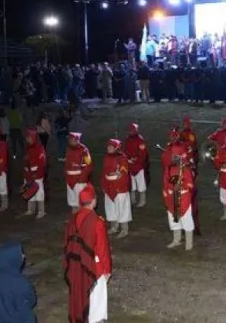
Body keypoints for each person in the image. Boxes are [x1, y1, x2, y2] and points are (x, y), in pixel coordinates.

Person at [64, 184, 112, 323]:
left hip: (75, 264)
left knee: (79, 293)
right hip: (93, 267)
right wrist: (106, 270)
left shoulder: (72, 219)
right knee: (97, 297)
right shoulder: (97, 222)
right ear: (94, 201)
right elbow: (103, 248)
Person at [0, 243, 37, 323]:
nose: (24, 256)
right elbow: (31, 300)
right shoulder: (20, 283)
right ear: (12, 258)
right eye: (21, 254)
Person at [163, 153, 196, 250]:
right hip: (171, 197)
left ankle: (189, 244)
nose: (175, 158)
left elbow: (190, 184)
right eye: (173, 156)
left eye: (177, 156)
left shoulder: (185, 168)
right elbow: (165, 183)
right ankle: (176, 240)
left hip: (183, 197)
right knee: (174, 218)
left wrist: (182, 186)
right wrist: (167, 194)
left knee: (186, 219)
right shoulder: (168, 168)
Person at [102, 139, 132, 239]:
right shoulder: (106, 157)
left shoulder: (122, 158)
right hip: (109, 187)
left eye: (111, 146)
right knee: (111, 208)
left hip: (120, 187)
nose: (109, 148)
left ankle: (124, 229)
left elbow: (124, 173)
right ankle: (114, 226)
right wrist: (104, 185)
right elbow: (104, 172)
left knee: (122, 208)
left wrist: (120, 186)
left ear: (116, 148)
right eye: (108, 146)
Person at [65, 132, 93, 213]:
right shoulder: (68, 149)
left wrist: (83, 177)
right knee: (73, 200)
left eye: (73, 140)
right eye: (70, 140)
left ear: (77, 140)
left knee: (81, 199)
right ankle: (74, 217)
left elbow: (88, 164)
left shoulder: (83, 149)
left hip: (80, 179)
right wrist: (66, 176)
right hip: (70, 179)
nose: (71, 141)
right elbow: (67, 164)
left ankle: (82, 217)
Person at [22, 128, 47, 219]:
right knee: (29, 191)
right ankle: (30, 210)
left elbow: (42, 162)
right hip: (28, 175)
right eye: (27, 138)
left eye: (29, 137)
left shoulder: (39, 148)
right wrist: (26, 173)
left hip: (37, 175)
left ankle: (41, 211)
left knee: (39, 192)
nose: (27, 139)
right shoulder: (28, 148)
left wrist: (37, 173)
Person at [124, 123, 149, 207]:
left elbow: (143, 153)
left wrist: (137, 160)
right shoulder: (128, 139)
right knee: (132, 183)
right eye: (130, 130)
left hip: (139, 166)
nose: (130, 131)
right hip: (130, 165)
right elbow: (125, 151)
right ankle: (132, 199)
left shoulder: (140, 140)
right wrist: (128, 159)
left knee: (141, 183)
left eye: (132, 130)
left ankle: (142, 200)